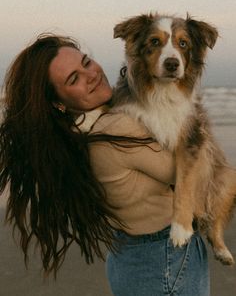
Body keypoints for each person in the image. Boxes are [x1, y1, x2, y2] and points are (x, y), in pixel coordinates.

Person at [0, 34, 209, 295]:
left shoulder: (79, 133)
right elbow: (195, 174)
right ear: (58, 103)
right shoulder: (116, 127)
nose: (91, 75)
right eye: (74, 79)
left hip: (129, 255)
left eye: (86, 62)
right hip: (163, 258)